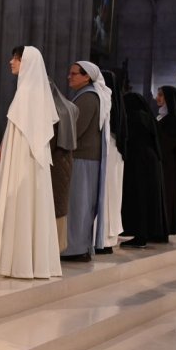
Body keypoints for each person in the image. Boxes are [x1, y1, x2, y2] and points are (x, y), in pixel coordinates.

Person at [0, 46, 61, 279]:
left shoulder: (27, 93)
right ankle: (28, 260)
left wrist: (6, 152)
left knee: (21, 204)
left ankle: (17, 262)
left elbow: (20, 136)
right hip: (28, 163)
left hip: (23, 163)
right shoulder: (32, 92)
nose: (11, 62)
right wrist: (3, 147)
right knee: (30, 205)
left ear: (27, 63)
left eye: (16, 58)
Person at [62, 61, 111, 262]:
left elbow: (76, 129)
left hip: (83, 158)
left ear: (86, 77)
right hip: (86, 158)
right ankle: (77, 247)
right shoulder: (87, 95)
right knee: (80, 205)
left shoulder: (88, 98)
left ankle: (76, 248)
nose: (69, 77)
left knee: (78, 206)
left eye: (73, 74)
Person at [119, 90, 169, 246]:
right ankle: (150, 232)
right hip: (151, 161)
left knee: (140, 197)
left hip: (140, 162)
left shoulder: (135, 117)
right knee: (149, 198)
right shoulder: (148, 117)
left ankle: (140, 234)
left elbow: (131, 139)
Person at [48, 78, 79, 251]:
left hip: (54, 161)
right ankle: (57, 247)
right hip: (66, 159)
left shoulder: (53, 109)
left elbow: (49, 141)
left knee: (53, 204)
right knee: (59, 204)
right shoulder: (70, 107)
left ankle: (52, 248)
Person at [97, 69, 126, 253]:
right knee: (112, 197)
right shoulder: (118, 105)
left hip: (109, 152)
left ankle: (104, 239)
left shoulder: (107, 103)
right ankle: (108, 238)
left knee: (107, 196)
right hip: (116, 154)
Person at [155, 84, 176, 235]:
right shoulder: (161, 117)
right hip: (161, 163)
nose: (157, 98)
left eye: (160, 95)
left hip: (169, 166)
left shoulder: (173, 119)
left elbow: (170, 143)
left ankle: (166, 225)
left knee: (168, 194)